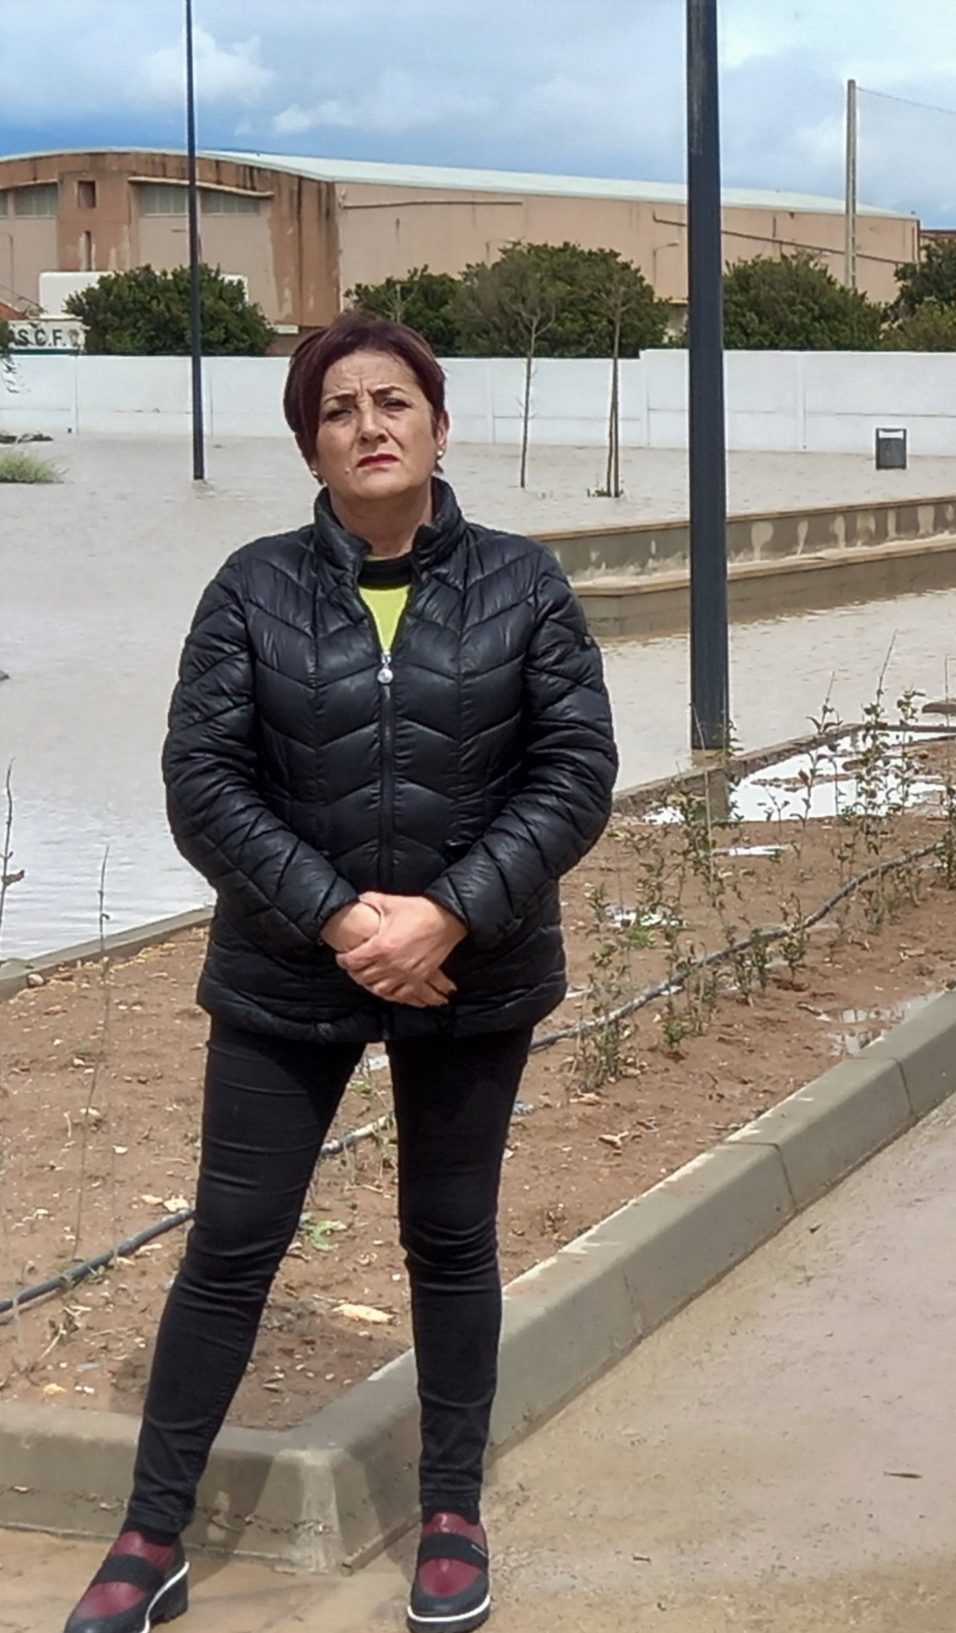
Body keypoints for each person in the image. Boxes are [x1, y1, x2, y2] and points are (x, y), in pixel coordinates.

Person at [63, 313, 617, 1633]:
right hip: (282, 973)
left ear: (436, 420)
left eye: (392, 401)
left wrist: (448, 917)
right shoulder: (251, 587)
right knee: (232, 1243)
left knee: (448, 1238)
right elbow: (203, 780)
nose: (368, 425)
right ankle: (152, 1534)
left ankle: (446, 1508)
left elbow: (574, 773)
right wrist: (338, 919)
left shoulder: (524, 584)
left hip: (470, 978)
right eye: (337, 409)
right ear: (311, 442)